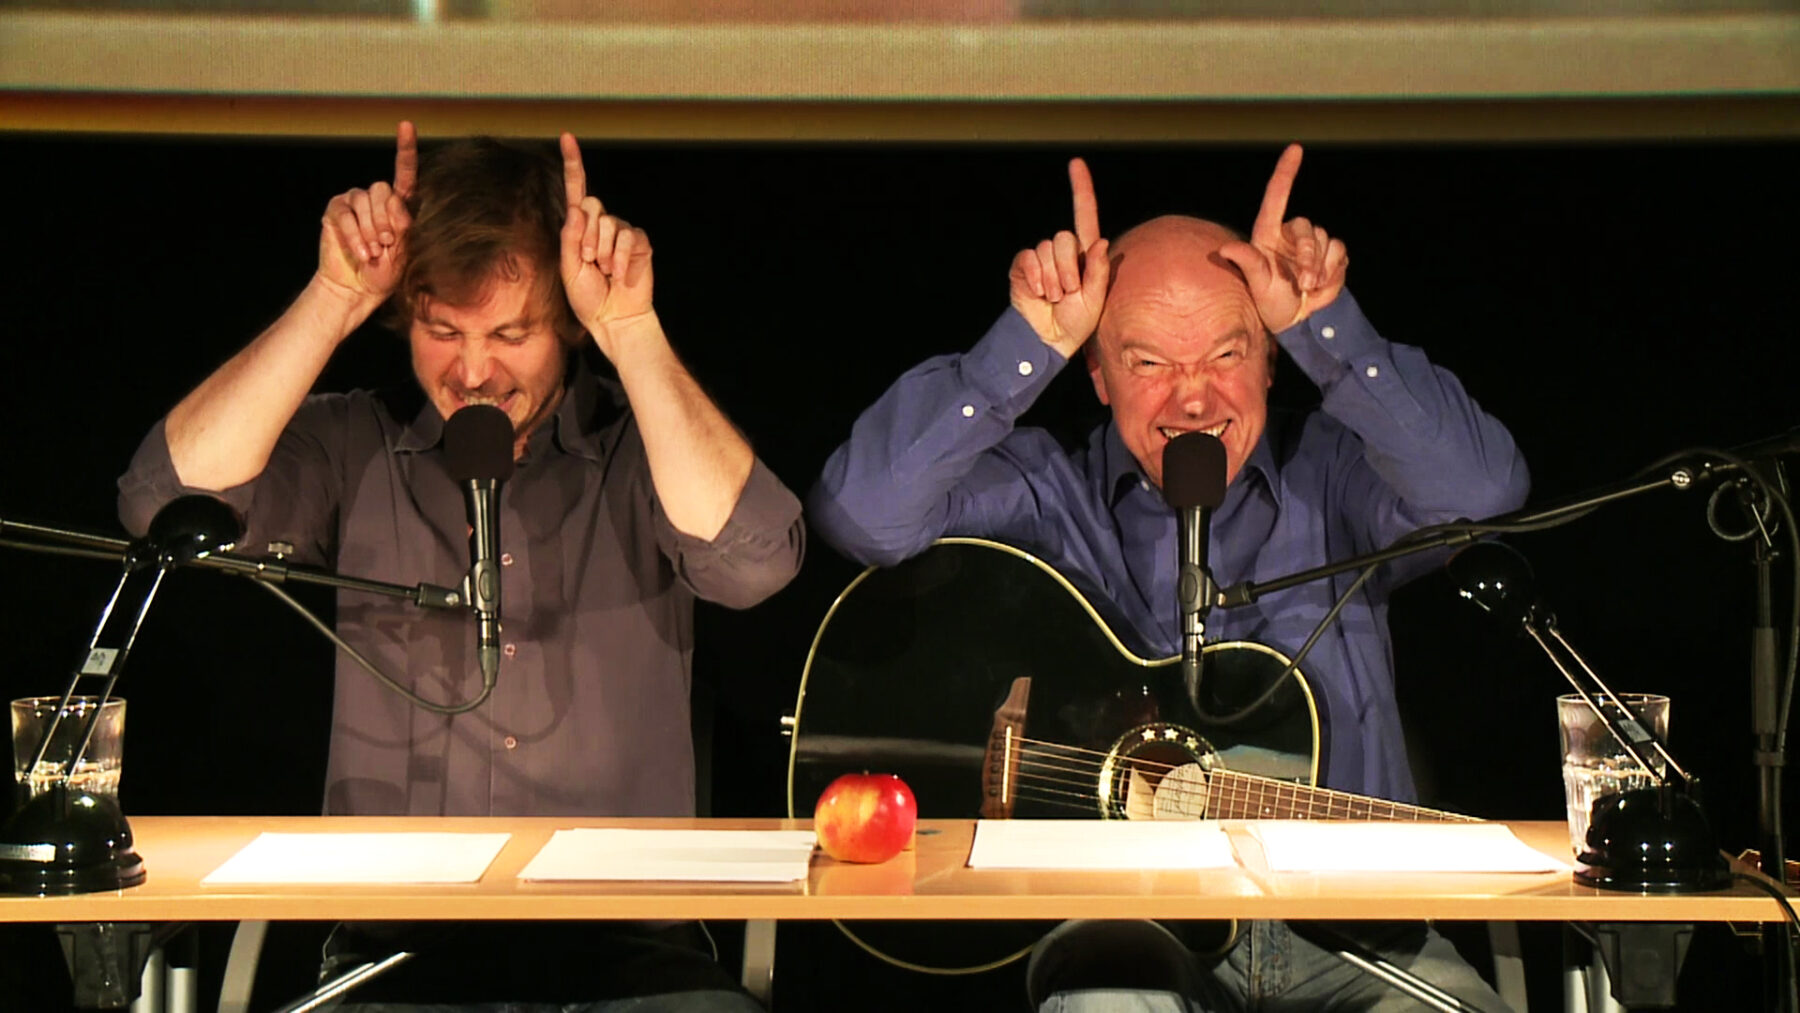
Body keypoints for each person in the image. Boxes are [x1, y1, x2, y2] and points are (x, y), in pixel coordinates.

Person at [807, 146, 1529, 1010]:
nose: (1194, 399)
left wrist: (1327, 330)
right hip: (1125, 930)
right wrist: (1022, 348)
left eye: (1227, 353)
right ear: (1099, 375)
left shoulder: (1338, 475)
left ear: (1270, 360)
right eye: (1149, 363)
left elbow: (1483, 493)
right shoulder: (1048, 491)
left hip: (1354, 930)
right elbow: (862, 515)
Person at [118, 124, 803, 1011]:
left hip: (628, 957)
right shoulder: (354, 445)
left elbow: (756, 564)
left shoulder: (642, 457)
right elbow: (161, 502)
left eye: (513, 332)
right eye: (444, 330)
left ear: (567, 324)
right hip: (395, 956)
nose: (474, 369)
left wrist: (632, 331)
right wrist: (332, 296)